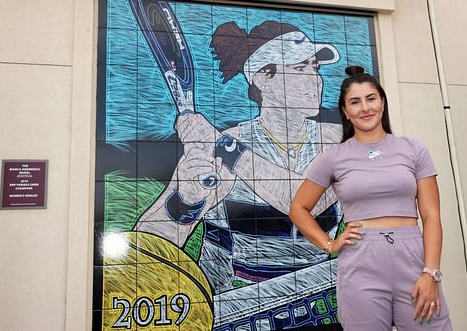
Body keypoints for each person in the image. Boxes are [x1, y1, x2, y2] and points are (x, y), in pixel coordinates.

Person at [136, 20, 344, 320]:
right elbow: (147, 248)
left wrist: (224, 148)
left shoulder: (336, 140)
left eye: (315, 68)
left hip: (316, 305)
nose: (315, 80)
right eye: (300, 69)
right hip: (236, 312)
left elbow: (301, 201)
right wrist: (187, 202)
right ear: (263, 79)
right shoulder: (224, 146)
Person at [289, 66, 453, 330]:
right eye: (355, 102)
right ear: (345, 112)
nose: (365, 108)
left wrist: (431, 272)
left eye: (371, 98)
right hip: (360, 261)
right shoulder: (334, 156)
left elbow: (432, 216)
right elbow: (298, 208)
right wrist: (329, 244)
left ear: (382, 102)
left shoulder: (413, 149)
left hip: (412, 259)